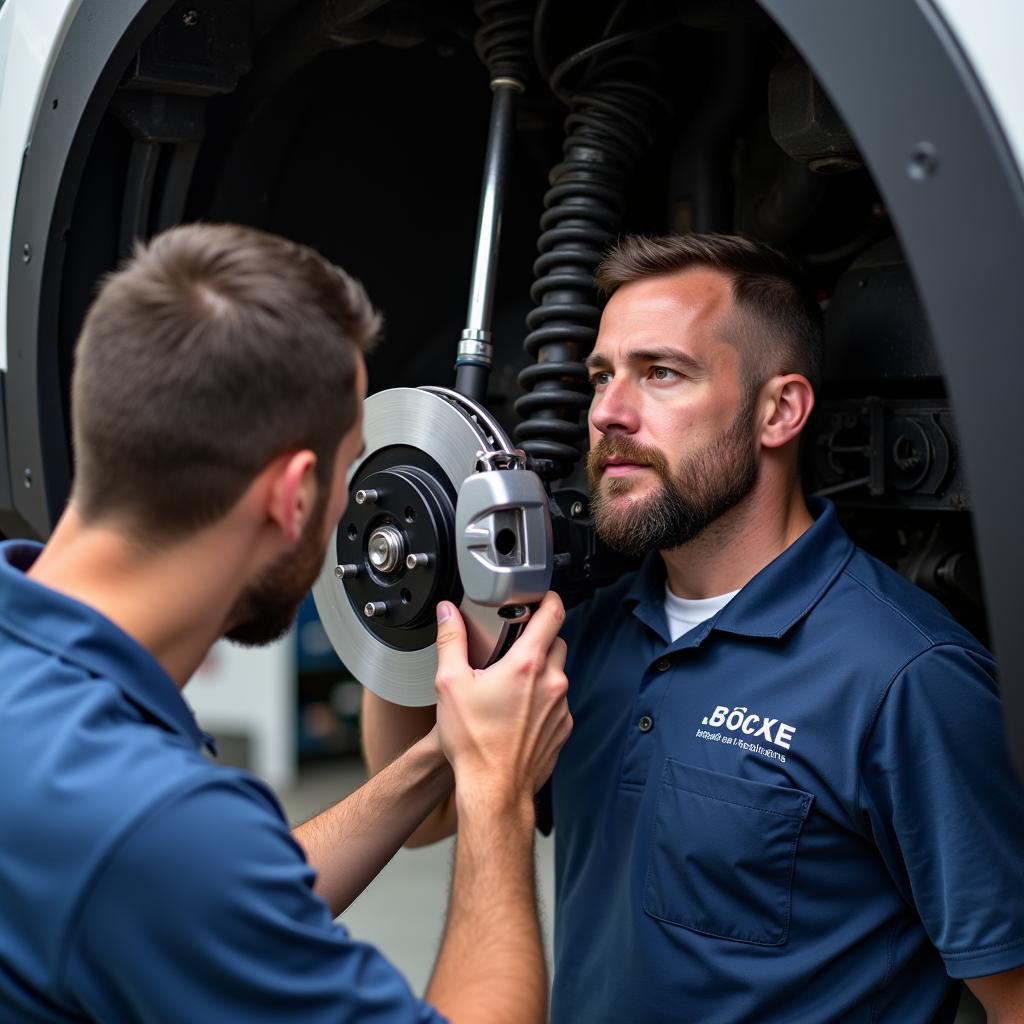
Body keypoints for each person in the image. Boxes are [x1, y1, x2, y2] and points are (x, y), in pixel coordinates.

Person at [362, 233, 1024, 1021]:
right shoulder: (582, 633)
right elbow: (428, 814)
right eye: (601, 376)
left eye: (661, 373)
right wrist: (410, 596)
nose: (608, 412)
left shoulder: (907, 678)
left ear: (779, 410)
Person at [0, 223, 573, 1024]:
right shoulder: (143, 821)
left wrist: (443, 755)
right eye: (352, 473)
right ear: (292, 495)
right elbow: (169, 862)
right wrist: (496, 791)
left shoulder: (56, 714)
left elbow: (212, 893)